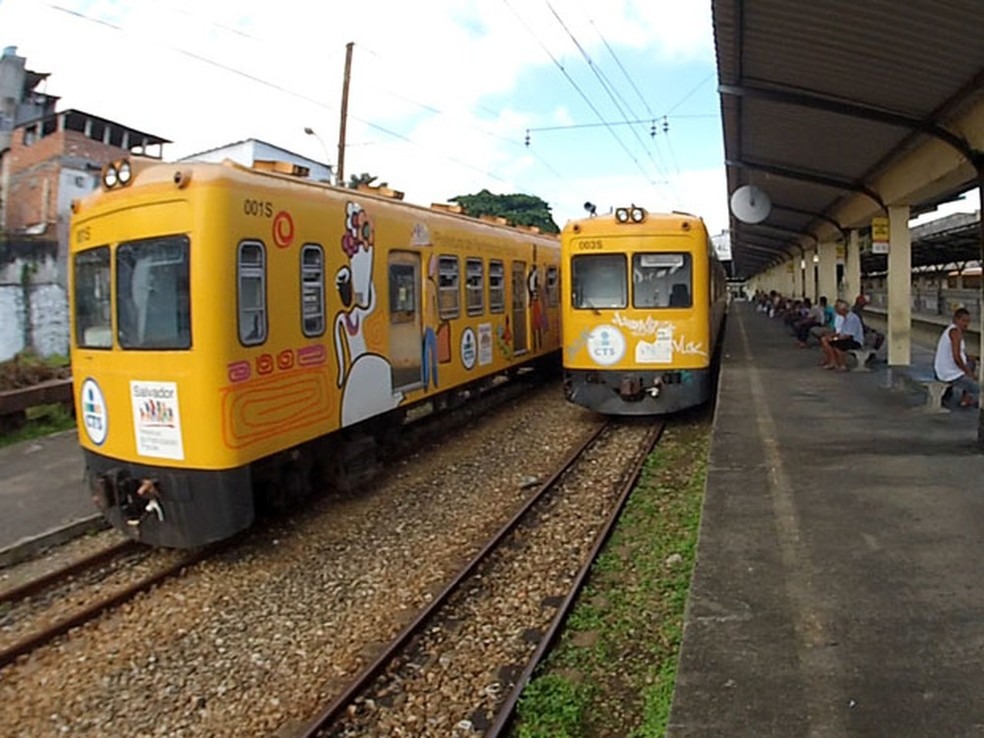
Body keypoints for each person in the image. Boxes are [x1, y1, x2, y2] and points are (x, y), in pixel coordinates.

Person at [934, 307, 979, 408]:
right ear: (955, 320)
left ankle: (964, 396)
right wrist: (969, 373)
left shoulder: (951, 330)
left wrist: (970, 358)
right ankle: (965, 400)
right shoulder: (955, 332)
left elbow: (960, 354)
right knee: (978, 388)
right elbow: (956, 357)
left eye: (968, 321)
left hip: (945, 370)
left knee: (971, 362)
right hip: (949, 373)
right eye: (963, 321)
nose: (966, 324)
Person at [819, 299, 865, 371]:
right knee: (825, 340)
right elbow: (842, 332)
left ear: (843, 309)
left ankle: (842, 365)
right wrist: (832, 335)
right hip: (847, 338)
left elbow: (849, 335)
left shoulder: (852, 318)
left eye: (837, 309)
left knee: (838, 345)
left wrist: (835, 339)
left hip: (855, 341)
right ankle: (832, 361)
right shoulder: (845, 318)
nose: (836, 311)